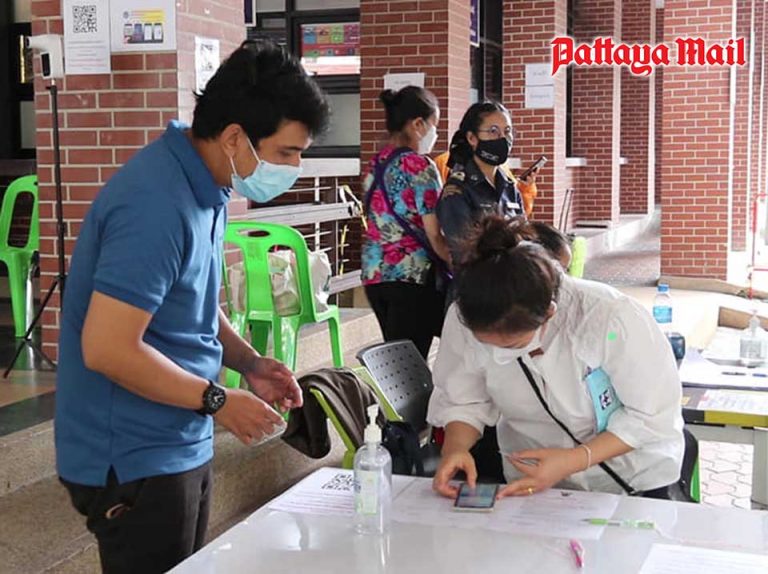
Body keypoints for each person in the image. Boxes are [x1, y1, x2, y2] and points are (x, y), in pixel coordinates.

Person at [55, 41, 329, 574]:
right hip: (132, 452)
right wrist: (217, 399)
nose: (294, 168)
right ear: (235, 137)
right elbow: (107, 348)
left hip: (179, 433)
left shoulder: (207, 182)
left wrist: (249, 362)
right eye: (286, 153)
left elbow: (191, 300)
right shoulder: (154, 203)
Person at [428, 215, 684, 499]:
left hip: (630, 477)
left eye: (512, 344)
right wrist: (456, 449)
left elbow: (650, 415)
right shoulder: (465, 317)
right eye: (486, 344)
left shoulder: (611, 317)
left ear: (549, 313)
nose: (498, 355)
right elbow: (464, 399)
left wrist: (575, 459)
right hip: (532, 480)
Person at [361, 86, 451, 359]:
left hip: (375, 275)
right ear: (417, 124)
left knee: (397, 358)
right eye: (434, 124)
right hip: (411, 276)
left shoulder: (375, 165)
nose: (435, 133)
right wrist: (459, 262)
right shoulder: (421, 167)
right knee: (412, 365)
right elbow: (434, 234)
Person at [436, 101, 538, 261]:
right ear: (472, 138)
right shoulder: (458, 190)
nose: (503, 138)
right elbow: (463, 253)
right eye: (493, 131)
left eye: (507, 131)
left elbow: (525, 236)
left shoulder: (510, 187)